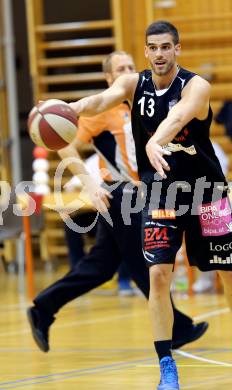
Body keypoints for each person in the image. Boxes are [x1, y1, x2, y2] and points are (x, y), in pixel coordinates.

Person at [66, 22, 232, 389]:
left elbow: (177, 117)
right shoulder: (132, 84)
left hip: (206, 192)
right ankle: (166, 363)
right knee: (159, 275)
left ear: (177, 49)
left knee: (229, 271)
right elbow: (97, 102)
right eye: (152, 47)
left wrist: (154, 141)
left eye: (165, 47)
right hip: (162, 194)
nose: (159, 53)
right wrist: (68, 109)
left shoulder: (197, 86)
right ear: (146, 51)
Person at [27, 50, 209, 356]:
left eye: (129, 66)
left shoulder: (144, 102)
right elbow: (63, 144)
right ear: (110, 78)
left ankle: (43, 308)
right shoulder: (103, 111)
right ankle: (176, 327)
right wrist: (87, 182)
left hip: (144, 193)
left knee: (101, 266)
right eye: (120, 69)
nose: (128, 71)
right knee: (144, 262)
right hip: (122, 196)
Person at [64, 153, 135, 295]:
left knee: (122, 228)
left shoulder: (123, 158)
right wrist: (89, 190)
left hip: (116, 212)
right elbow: (70, 187)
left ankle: (124, 280)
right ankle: (77, 273)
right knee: (70, 223)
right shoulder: (91, 161)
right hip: (92, 213)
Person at [192, 142, 229, 293]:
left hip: (212, 198)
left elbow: (222, 171)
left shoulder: (212, 145)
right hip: (189, 199)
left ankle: (225, 274)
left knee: (218, 243)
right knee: (198, 239)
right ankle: (205, 277)